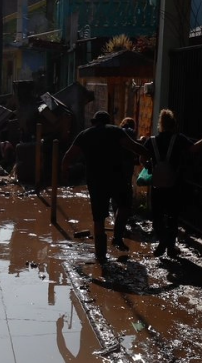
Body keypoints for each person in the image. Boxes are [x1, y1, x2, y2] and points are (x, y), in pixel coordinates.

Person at [61, 110, 150, 263]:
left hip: (96, 182)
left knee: (99, 218)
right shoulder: (115, 131)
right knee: (124, 206)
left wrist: (64, 173)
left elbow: (68, 157)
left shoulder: (84, 135)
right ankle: (117, 236)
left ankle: (100, 256)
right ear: (108, 122)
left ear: (94, 122)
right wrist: (148, 154)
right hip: (117, 178)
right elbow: (133, 146)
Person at [142, 109, 202, 258]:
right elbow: (194, 148)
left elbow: (142, 157)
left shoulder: (151, 141)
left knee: (157, 216)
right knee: (172, 217)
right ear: (173, 124)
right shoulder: (179, 139)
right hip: (174, 185)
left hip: (157, 185)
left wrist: (149, 166)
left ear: (160, 124)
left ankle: (163, 240)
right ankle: (171, 248)